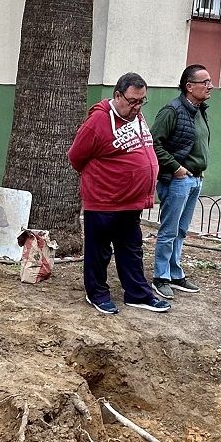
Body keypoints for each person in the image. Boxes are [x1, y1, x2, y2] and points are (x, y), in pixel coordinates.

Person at [67, 72, 172, 316]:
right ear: (117, 95)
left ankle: (137, 294)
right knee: (99, 250)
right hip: (104, 200)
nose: (137, 106)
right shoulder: (98, 121)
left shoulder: (136, 115)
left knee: (131, 248)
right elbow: (75, 157)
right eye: (133, 100)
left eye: (142, 101)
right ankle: (97, 294)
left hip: (130, 201)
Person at [151, 64, 214, 298]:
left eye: (209, 82)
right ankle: (161, 276)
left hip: (195, 179)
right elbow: (154, 143)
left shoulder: (199, 110)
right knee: (169, 230)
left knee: (181, 230)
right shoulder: (172, 110)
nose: (210, 86)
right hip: (177, 180)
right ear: (189, 86)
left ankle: (175, 274)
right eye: (205, 82)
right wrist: (176, 168)